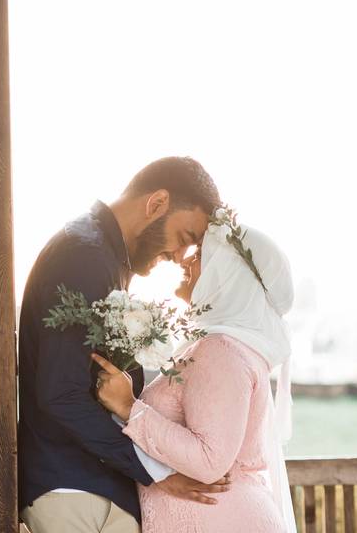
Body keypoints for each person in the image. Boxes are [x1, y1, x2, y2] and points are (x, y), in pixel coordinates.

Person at [18, 157, 230, 533]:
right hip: (70, 489)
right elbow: (60, 393)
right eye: (185, 238)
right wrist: (154, 472)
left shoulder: (107, 257)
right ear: (157, 203)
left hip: (98, 488)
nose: (179, 258)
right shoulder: (82, 255)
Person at [94, 216, 297, 532]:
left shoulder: (221, 350)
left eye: (201, 253)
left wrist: (128, 408)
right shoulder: (222, 345)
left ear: (227, 274)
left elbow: (208, 460)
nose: (186, 260)